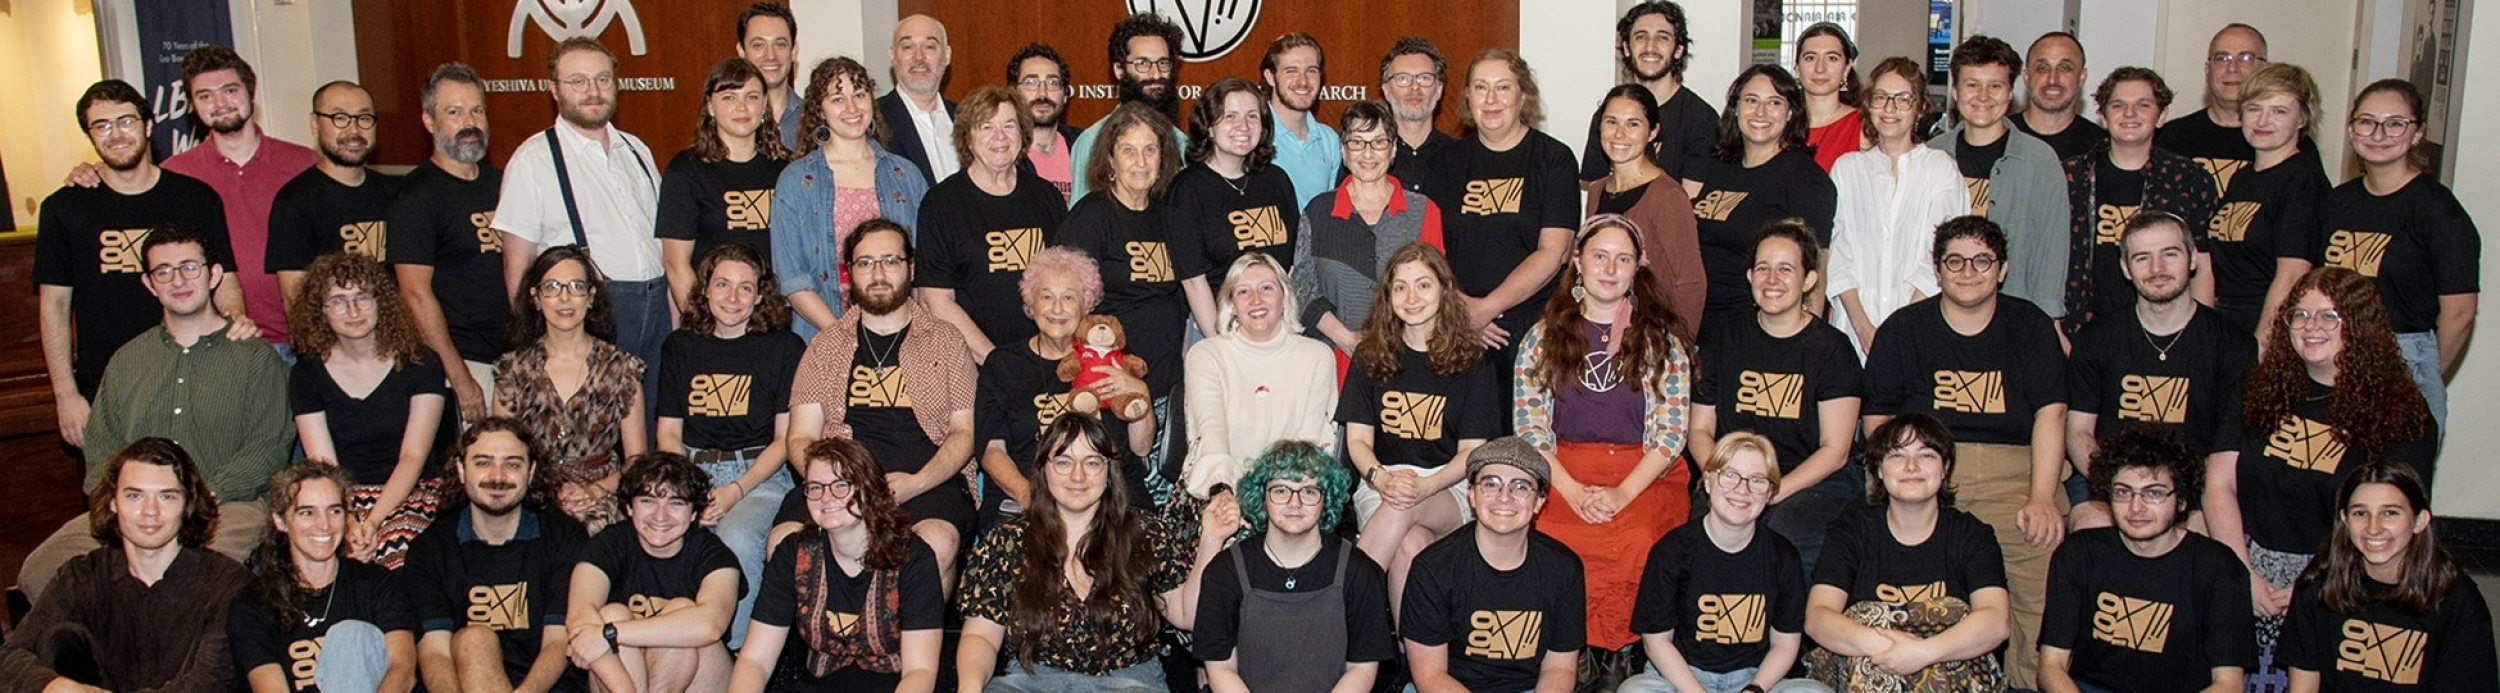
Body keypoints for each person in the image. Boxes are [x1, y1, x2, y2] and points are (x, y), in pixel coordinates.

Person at [20, 225, 294, 600]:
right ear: (149, 284)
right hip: (136, 512)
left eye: (189, 267)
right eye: (163, 271)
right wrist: (133, 506)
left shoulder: (255, 359)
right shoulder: (127, 360)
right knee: (40, 570)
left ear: (214, 274)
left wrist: (193, 499)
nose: (178, 280)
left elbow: (267, 450)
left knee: (193, 574)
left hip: (226, 508)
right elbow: (101, 450)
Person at [2203, 267, 2437, 688]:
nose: (2312, 327)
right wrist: (2242, 575)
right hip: (2245, 567)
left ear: (2359, 323)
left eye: (2329, 316)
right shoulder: (2256, 390)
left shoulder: (2402, 414)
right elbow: (2218, 483)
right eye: (2301, 315)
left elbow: (2389, 522)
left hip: (2342, 579)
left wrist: (2314, 586)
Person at [1861, 216, 2067, 687]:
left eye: (1981, 261)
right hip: (1923, 473)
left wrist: (2041, 496)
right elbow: (1878, 422)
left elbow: (2052, 415)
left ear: (2002, 269)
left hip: (2014, 476)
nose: (1968, 271)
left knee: (2041, 558)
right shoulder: (1904, 329)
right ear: (1937, 270)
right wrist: (1897, 486)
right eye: (1954, 261)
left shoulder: (2030, 326)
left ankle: (2026, 682)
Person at [1513, 215, 1693, 684]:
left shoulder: (1661, 342)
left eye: (1623, 259)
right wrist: (1571, 490)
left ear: (1638, 268)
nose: (1610, 269)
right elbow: (1530, 428)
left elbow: (1671, 435)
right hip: (1562, 468)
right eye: (1599, 256)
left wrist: (1621, 494)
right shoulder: (1542, 337)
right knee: (1553, 533)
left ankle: (1623, 652)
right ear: (1577, 261)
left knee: (1636, 536)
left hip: (1643, 472)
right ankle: (1570, 647)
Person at [954, 415, 1232, 691]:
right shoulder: (1007, 542)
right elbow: (981, 637)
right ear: (1043, 470)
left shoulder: (1146, 534)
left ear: (1109, 473)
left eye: (1092, 463)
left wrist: (1211, 540)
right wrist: (969, 688)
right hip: (1029, 682)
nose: (1078, 476)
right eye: (1063, 462)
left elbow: (1185, 614)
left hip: (1130, 683)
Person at [37, 79, 243, 450]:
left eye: (126, 121)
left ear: (148, 126)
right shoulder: (63, 208)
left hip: (195, 380)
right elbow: (54, 305)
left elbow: (224, 281)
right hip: (106, 390)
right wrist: (65, 395)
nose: (116, 134)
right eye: (102, 126)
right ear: (90, 135)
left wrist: (235, 331)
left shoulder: (196, 198)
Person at [777, 219, 978, 583]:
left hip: (926, 484)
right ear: (850, 272)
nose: (879, 274)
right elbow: (800, 437)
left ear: (910, 268)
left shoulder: (947, 341)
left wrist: (917, 483)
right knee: (785, 541)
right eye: (866, 263)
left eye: (890, 261)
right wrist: (837, 487)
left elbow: (964, 432)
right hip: (842, 483)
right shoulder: (825, 346)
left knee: (937, 542)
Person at [494, 38, 668, 409]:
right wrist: (534, 348)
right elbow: (517, 265)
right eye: (578, 81)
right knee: (592, 430)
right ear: (554, 89)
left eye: (602, 79)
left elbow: (662, 242)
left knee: (651, 425)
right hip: (585, 321)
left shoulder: (636, 150)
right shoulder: (533, 160)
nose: (593, 91)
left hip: (656, 314)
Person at [0, 439, 254, 692]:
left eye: (166, 496)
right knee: (57, 639)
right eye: (135, 495)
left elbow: (210, 682)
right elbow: (10, 655)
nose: (150, 511)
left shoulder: (227, 584)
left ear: (188, 503)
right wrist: (52, 685)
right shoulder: (81, 576)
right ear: (113, 502)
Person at [654, 242, 806, 649]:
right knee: (663, 533)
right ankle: (669, 643)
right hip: (690, 470)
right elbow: (668, 435)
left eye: (745, 287)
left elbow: (785, 440)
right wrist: (688, 491)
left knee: (735, 538)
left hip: (760, 476)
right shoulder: (680, 347)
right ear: (705, 288)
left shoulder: (784, 348)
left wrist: (735, 490)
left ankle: (731, 653)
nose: (733, 297)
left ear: (759, 296)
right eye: (722, 284)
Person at [1338, 244, 1501, 619]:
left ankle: (1339, 604)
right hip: (1380, 482)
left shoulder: (1473, 361)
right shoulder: (1369, 355)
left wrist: (1426, 486)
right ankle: (1408, 650)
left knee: (1405, 502)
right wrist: (1382, 479)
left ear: (1444, 289)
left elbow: (1472, 454)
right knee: (1411, 545)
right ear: (1388, 295)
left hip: (1447, 487)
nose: (1411, 298)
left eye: (1423, 285)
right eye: (1400, 287)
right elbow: (1357, 443)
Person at [2064, 212, 2254, 527]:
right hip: (2109, 484)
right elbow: (2078, 432)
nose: (2157, 269)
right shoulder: (2095, 339)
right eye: (2142, 258)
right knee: (2090, 524)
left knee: (2203, 532)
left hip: (2194, 491)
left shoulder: (2233, 345)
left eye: (2170, 254)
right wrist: (2124, 490)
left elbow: (2225, 453)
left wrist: (2170, 498)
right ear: (2126, 268)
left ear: (2192, 259)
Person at [1692, 224, 1863, 573]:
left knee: (1783, 540)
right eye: (1763, 268)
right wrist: (1728, 481)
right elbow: (1699, 431)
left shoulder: (1832, 349)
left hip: (1811, 479)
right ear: (1750, 276)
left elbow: (1835, 450)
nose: (1772, 280)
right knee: (1704, 540)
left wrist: (1771, 490)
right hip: (1731, 474)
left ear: (1809, 279)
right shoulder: (1723, 340)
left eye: (1785, 269)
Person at [2038, 429, 2255, 693]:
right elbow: (2051, 666)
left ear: (2181, 500)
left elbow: (2229, 685)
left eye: (2153, 493)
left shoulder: (2219, 568)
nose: (2136, 507)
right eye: (2123, 492)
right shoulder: (2079, 553)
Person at [1803, 415, 2010, 690]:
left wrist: (1922, 653)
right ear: (1879, 470)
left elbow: (1995, 622)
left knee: (1956, 613)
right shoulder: (1851, 531)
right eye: (1897, 455)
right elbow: (1818, 617)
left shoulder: (1972, 534)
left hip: (1950, 674)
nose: (1912, 466)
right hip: (1868, 668)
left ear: (1945, 468)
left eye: (1926, 455)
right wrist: (1888, 650)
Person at [2320, 78, 2479, 433]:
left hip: (2404, 359)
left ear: (2418, 133)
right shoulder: (2335, 203)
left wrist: (2417, 375)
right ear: (2351, 129)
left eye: (2395, 123)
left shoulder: (2438, 211)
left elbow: (2460, 312)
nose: (2379, 134)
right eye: (2367, 121)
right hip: (2334, 357)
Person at [727, 438, 947, 692]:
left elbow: (920, 672)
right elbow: (755, 661)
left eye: (841, 485)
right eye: (815, 487)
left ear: (869, 491)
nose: (826, 497)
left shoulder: (913, 558)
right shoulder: (794, 553)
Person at [1621, 433, 1828, 693]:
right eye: (1730, 475)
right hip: (1682, 676)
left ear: (1770, 493)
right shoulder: (1671, 552)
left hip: (1756, 676)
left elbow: (1785, 645)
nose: (1742, 490)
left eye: (1757, 480)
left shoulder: (1783, 556)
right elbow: (1656, 643)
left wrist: (1755, 688)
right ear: (1708, 481)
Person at [1054, 102, 1189, 498]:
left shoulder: (1169, 215)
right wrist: (1101, 371)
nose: (1141, 162)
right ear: (1110, 159)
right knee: (1119, 499)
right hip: (1109, 389)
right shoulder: (1092, 216)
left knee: (1162, 502)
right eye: (1129, 150)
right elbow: (1063, 304)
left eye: (1150, 150)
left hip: (1166, 385)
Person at [971, 246, 1158, 530]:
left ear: (1087, 305)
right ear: (1030, 304)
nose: (1057, 308)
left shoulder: (1112, 356)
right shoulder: (1002, 365)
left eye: (1068, 298)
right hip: (1030, 497)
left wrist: (1140, 393)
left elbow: (1142, 448)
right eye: (1046, 297)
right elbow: (992, 451)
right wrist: (1031, 498)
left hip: (1111, 500)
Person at [1425, 48, 1578, 394]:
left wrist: (1486, 310)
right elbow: (1430, 251)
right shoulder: (1445, 162)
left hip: (1532, 329)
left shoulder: (1554, 159)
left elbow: (1553, 252)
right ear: (1468, 96)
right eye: (1481, 87)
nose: (1491, 99)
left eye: (1503, 87)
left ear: (1523, 95)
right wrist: (1464, 309)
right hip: (1458, 325)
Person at [401, 418, 591, 693]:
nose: (498, 476)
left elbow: (558, 641)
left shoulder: (565, 537)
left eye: (512, 464)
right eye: (483, 463)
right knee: (473, 640)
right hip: (462, 684)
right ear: (461, 470)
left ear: (531, 472)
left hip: (544, 688)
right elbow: (435, 653)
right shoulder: (430, 549)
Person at [287, 253, 452, 569]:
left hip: (411, 491)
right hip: (341, 496)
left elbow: (414, 456)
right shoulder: (306, 374)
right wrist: (349, 520)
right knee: (318, 548)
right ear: (321, 310)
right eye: (338, 301)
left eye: (362, 297)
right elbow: (325, 466)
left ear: (381, 302)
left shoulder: (421, 362)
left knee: (397, 551)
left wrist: (372, 522)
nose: (353, 311)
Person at [1194, 441, 1398, 692]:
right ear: (1262, 498)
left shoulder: (1360, 572)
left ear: (1326, 500)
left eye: (1309, 491)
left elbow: (1362, 668)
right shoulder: (1224, 572)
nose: (1295, 502)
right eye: (1281, 490)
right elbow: (1220, 668)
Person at [2279, 463, 2497, 692]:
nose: (2373, 528)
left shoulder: (2456, 600)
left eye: (2390, 513)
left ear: (2420, 520)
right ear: (2345, 519)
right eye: (2360, 513)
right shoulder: (2318, 587)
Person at [160, 44, 319, 352]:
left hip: (302, 342)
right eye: (205, 96)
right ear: (192, 105)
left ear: (251, 93)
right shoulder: (174, 175)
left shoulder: (304, 163)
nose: (220, 103)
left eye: (230, 90)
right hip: (216, 346)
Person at [1400, 436, 1586, 693]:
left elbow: (1559, 669)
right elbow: (1430, 675)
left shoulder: (1563, 569)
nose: (1504, 497)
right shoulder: (1432, 568)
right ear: (1471, 495)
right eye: (1491, 484)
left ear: (1539, 501)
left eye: (1520, 487)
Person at [771, 56, 930, 341]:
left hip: (901, 335)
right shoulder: (795, 183)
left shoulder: (906, 176)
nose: (852, 108)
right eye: (837, 99)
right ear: (819, 110)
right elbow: (793, 279)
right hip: (823, 337)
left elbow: (925, 268)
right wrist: (846, 338)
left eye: (859, 95)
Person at [496, 246, 648, 533]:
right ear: (535, 296)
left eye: (576, 287)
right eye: (552, 287)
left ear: (591, 296)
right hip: (531, 493)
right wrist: (548, 493)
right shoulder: (512, 370)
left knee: (596, 531)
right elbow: (503, 453)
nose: (564, 298)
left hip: (602, 495)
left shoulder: (622, 368)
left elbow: (637, 460)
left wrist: (593, 491)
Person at [229, 463, 418, 693]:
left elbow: (403, 671)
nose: (324, 525)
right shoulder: (253, 603)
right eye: (307, 512)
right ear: (280, 520)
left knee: (352, 635)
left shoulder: (377, 583)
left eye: (334, 511)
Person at [388, 62, 508, 423]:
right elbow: (414, 294)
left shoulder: (505, 182)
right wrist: (459, 378)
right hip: (464, 364)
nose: (469, 122)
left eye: (477, 110)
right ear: (429, 121)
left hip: (514, 361)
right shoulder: (416, 196)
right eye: (454, 112)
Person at [565, 453, 744, 693]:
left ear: (694, 513)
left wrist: (611, 633)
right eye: (648, 501)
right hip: (626, 682)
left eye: (676, 503)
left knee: (682, 614)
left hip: (701, 679)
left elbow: (710, 625)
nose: (661, 515)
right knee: (611, 613)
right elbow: (579, 617)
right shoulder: (609, 544)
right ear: (630, 507)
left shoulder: (713, 554)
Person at [1828, 57, 1971, 354]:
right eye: (1880, 98)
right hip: (1853, 331)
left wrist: (1898, 329)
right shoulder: (1847, 169)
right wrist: (1862, 327)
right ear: (1868, 105)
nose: (1890, 108)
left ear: (1919, 107)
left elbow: (1943, 255)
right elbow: (1838, 255)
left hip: (1919, 329)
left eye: (1903, 99)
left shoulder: (1940, 169)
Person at [915, 85, 1069, 360]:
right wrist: (997, 362)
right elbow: (935, 300)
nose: (1000, 136)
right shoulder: (941, 204)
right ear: (967, 138)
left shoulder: (1046, 197)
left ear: (1023, 134)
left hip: (1045, 360)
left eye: (1009, 125)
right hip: (973, 363)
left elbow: (1068, 282)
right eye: (986, 127)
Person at [2062, 67, 2220, 334]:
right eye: (2118, 105)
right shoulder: (2068, 178)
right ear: (2103, 117)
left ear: (2162, 116)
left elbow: (2202, 266)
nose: (2130, 114)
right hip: (2081, 330)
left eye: (2143, 105)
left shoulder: (2188, 179)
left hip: (2165, 328)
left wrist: (2199, 335)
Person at [1930, 36, 2071, 321]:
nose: (1983, 96)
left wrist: (2049, 320)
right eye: (1972, 85)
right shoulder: (1931, 156)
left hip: (2016, 316)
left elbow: (2052, 249)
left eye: (1995, 86)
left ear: (2010, 94)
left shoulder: (2040, 161)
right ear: (1955, 91)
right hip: (1940, 312)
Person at [1689, 64, 1837, 334]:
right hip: (1701, 324)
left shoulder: (1805, 179)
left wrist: (1804, 343)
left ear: (1790, 113)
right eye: (1751, 100)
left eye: (1774, 103)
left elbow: (1815, 272)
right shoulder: (1722, 167)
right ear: (1736, 108)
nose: (1761, 112)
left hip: (1757, 330)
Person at [1180, 253, 1340, 498]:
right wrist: (1224, 492)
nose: (1256, 300)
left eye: (1266, 288)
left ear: (1285, 298)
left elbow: (1310, 444)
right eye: (1243, 292)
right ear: (1231, 305)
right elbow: (1212, 434)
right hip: (1220, 488)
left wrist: (1276, 496)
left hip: (1293, 491)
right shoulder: (1205, 354)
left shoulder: (1318, 356)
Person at [1294, 100, 1448, 354]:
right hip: (1334, 357)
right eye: (1357, 142)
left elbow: (1436, 288)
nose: (1368, 153)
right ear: (1343, 150)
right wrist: (1345, 338)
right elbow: (1302, 288)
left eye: (1379, 142)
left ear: (1393, 149)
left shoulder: (1423, 210)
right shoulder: (1318, 212)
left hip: (1405, 355)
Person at [1168, 77, 1304, 335]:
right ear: (1209, 127)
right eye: (1230, 116)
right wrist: (1220, 345)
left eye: (1252, 116)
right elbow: (1193, 281)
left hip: (1277, 327)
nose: (1243, 126)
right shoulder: (1187, 190)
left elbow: (1292, 265)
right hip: (1219, 326)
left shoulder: (1276, 180)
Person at [659, 58, 794, 315]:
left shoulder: (787, 169)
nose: (742, 107)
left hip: (778, 318)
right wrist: (702, 323)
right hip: (716, 320)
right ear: (710, 106)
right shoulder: (686, 170)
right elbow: (676, 264)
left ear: (765, 104)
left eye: (752, 97)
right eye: (729, 97)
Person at [2209, 63, 2331, 336]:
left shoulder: (2302, 181)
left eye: (2279, 111)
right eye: (2254, 109)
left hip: (2267, 320)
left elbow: (2292, 275)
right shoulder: (2242, 178)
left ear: (2303, 118)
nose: (2263, 121)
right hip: (2226, 319)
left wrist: (2263, 343)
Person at [1586, 84, 1707, 338]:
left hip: (1652, 337)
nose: (1619, 133)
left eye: (1633, 124)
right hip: (1604, 333)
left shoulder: (1667, 197)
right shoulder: (1597, 191)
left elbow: (1691, 283)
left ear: (1652, 132)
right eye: (1611, 122)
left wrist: (1677, 349)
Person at [267, 81, 399, 305]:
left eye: (364, 118)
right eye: (340, 118)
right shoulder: (294, 202)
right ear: (315, 125)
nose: (354, 130)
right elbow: (295, 299)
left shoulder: (396, 194)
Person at [1578, 2, 1717, 184]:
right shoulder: (1608, 114)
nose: (1650, 46)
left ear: (1678, 50)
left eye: (1662, 37)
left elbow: (1689, 198)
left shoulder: (1701, 119)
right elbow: (1596, 189)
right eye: (1641, 37)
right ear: (1627, 48)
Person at [1068, 12, 1187, 204]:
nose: (1156, 74)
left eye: (1163, 63)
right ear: (1119, 70)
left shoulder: (1182, 143)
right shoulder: (1093, 141)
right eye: (1142, 64)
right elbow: (1082, 215)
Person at [2157, 24, 2277, 198]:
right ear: (2207, 70)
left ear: (2264, 70)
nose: (2233, 68)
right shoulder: (2170, 139)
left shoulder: (2285, 142)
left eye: (2245, 58)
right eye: (2222, 58)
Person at [1261, 32, 1343, 206]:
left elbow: (1328, 212)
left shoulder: (1329, 140)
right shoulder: (1253, 135)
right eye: (1291, 71)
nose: (1303, 81)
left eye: (1311, 71)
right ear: (1270, 77)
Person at [878, 14, 958, 183]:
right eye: (908, 47)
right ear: (892, 55)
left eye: (929, 47)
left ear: (947, 55)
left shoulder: (968, 119)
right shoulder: (873, 121)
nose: (919, 57)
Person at [2012, 32, 2108, 161]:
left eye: (2065, 68)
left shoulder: (2102, 148)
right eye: (2042, 68)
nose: (2052, 79)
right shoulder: (1999, 137)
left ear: (2082, 77)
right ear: (2026, 77)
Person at [1380, 36, 1455, 194]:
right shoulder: (1367, 158)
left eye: (1424, 78)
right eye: (1403, 79)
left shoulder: (1459, 156)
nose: (1414, 87)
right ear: (1386, 90)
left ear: (1439, 89)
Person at [1009, 43, 1085, 197]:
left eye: (1053, 83)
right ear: (1012, 92)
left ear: (1065, 95)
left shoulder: (1086, 147)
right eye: (1031, 83)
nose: (1042, 93)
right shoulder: (1002, 153)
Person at [732, 2, 806, 152]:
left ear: (793, 51)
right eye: (758, 45)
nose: (770, 56)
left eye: (780, 44)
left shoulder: (816, 120)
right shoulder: (729, 123)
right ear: (741, 51)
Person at [1795, 23, 1864, 172]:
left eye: (1832, 58)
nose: (1820, 68)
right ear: (1797, 68)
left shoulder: (1863, 126)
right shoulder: (1780, 124)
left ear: (1846, 69)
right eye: (1810, 58)